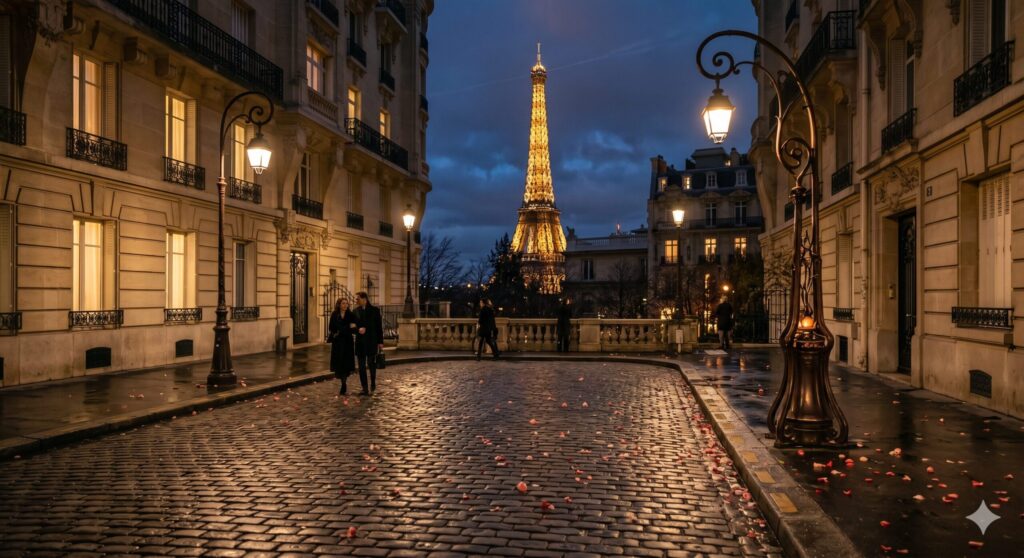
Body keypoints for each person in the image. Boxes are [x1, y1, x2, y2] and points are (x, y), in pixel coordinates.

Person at [353, 291, 384, 395]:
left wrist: (380, 342)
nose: (356, 301)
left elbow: (379, 327)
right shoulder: (355, 311)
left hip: (371, 341)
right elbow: (352, 326)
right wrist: (358, 329)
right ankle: (364, 388)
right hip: (360, 343)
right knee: (361, 367)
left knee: (371, 364)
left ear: (364, 299)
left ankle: (373, 384)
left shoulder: (375, 311)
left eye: (358, 299)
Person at [327, 297, 357, 395]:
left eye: (346, 303)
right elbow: (331, 327)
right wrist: (346, 328)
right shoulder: (334, 315)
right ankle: (343, 383)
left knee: (346, 364)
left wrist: (343, 329)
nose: (345, 305)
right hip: (338, 343)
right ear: (339, 304)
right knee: (339, 363)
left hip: (347, 342)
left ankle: (344, 383)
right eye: (343, 303)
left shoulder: (350, 315)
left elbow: (353, 328)